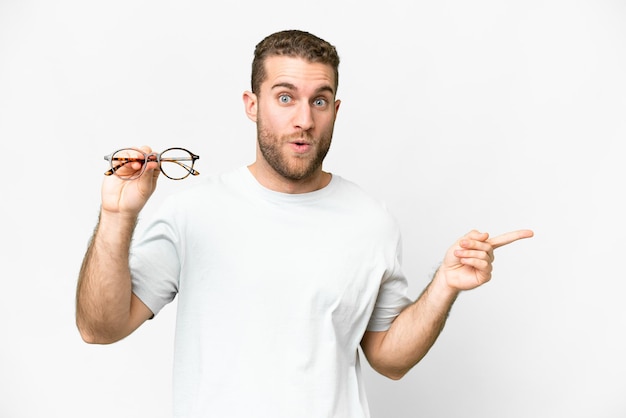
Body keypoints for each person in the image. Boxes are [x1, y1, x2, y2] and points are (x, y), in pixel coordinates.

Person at [76, 29, 533, 417]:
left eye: (319, 100)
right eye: (285, 97)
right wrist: (118, 217)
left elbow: (389, 359)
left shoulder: (371, 221)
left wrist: (444, 286)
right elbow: (99, 328)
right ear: (252, 104)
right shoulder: (193, 213)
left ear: (336, 109)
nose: (303, 120)